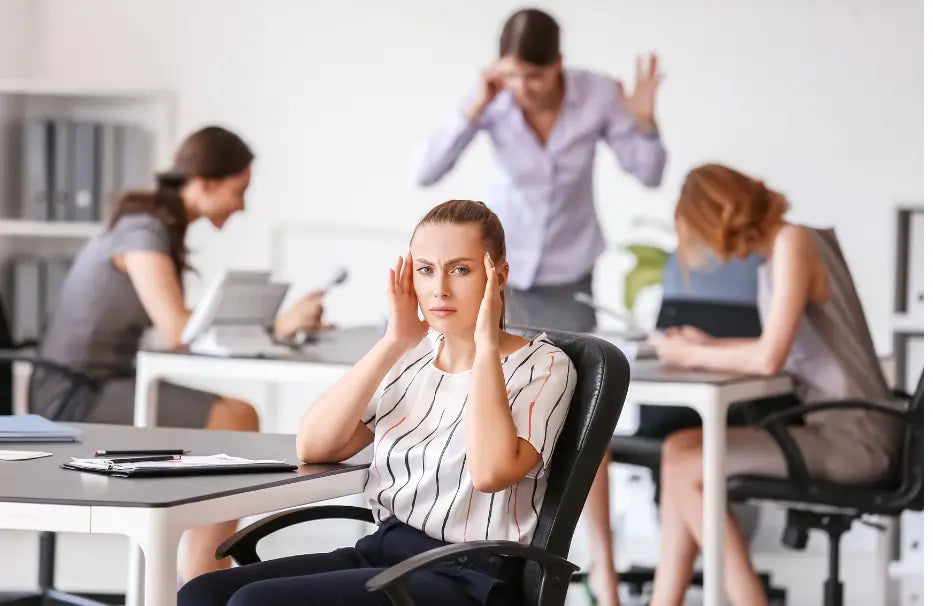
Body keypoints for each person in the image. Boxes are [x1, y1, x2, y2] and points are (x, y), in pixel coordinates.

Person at [177, 199, 577, 606]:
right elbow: (315, 446)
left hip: (469, 572)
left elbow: (490, 472)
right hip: (387, 549)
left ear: (498, 274)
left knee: (255, 603)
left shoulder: (543, 366)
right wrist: (393, 342)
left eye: (460, 269)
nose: (439, 288)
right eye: (425, 270)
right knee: (200, 594)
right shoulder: (414, 356)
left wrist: (485, 345)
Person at [413, 9, 666, 603]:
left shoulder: (598, 93)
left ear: (557, 63)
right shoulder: (493, 99)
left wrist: (646, 124)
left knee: (583, 422)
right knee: (496, 416)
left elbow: (649, 173)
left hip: (569, 276)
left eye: (536, 76)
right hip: (503, 281)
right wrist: (473, 106)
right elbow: (426, 170)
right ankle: (492, 549)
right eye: (513, 76)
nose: (524, 90)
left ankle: (599, 567)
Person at [30, 126, 328, 581]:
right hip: (73, 396)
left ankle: (203, 574)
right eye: (239, 190)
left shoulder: (154, 225)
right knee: (234, 419)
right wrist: (279, 324)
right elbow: (177, 329)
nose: (242, 205)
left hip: (103, 383)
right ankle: (203, 580)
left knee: (236, 418)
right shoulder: (143, 230)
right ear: (205, 181)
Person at [647, 164, 900, 606]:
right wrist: (710, 344)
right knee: (678, 450)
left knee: (688, 467)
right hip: (831, 427)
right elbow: (777, 345)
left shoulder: (793, 241)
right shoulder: (779, 253)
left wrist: (691, 355)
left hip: (856, 436)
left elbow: (770, 357)